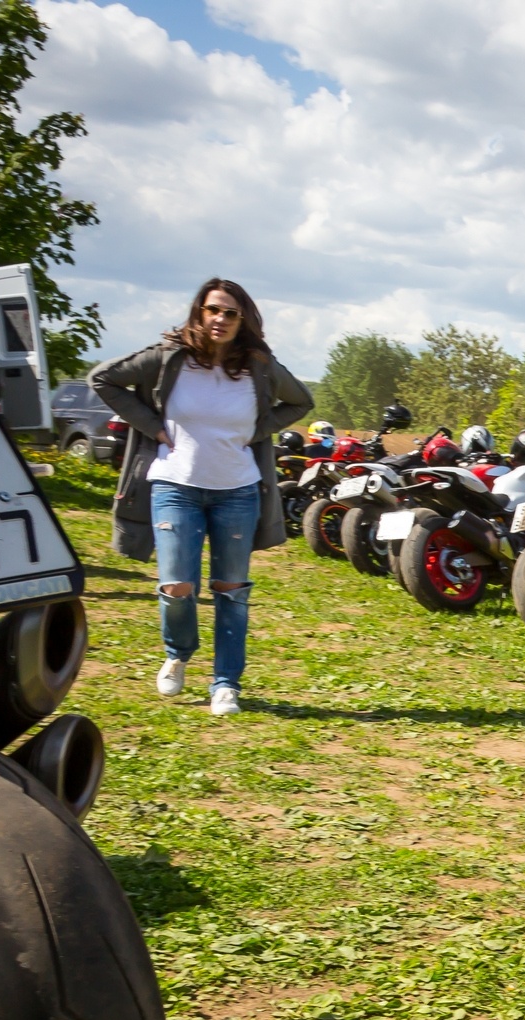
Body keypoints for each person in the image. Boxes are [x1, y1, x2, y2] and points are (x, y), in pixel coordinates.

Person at [93, 279, 313, 717]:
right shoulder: (169, 356)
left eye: (231, 313)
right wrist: (153, 427)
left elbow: (300, 401)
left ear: (242, 320)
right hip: (175, 485)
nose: (220, 319)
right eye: (213, 309)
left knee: (231, 591)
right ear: (199, 311)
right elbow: (103, 379)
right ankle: (178, 653)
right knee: (177, 585)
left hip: (237, 491)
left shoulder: (258, 366)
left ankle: (226, 684)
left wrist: (255, 430)